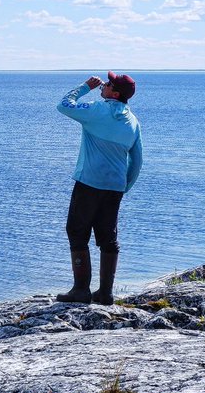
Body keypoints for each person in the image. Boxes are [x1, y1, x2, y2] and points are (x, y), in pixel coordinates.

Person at [54, 71, 142, 305]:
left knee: (77, 231)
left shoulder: (96, 111)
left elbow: (63, 105)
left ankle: (81, 290)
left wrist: (85, 87)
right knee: (108, 237)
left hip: (89, 182)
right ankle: (105, 293)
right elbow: (137, 160)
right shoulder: (133, 122)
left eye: (108, 83)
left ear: (115, 93)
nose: (103, 84)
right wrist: (124, 186)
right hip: (114, 187)